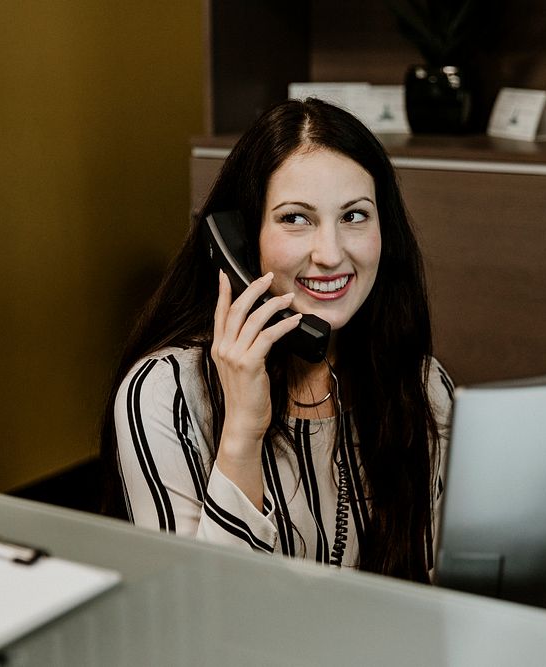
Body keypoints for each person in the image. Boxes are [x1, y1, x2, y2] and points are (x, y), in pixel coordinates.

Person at [100, 98, 453, 583]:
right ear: (239, 242)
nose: (330, 253)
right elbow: (190, 618)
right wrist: (243, 430)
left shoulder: (423, 384)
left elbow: (442, 589)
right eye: (295, 218)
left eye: (354, 216)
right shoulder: (168, 395)